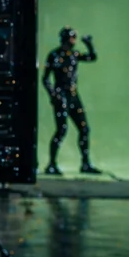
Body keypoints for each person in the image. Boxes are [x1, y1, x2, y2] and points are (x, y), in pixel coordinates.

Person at [42, 27, 100, 175]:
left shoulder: (74, 55)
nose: (74, 41)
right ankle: (51, 163)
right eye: (72, 37)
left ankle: (85, 163)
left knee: (84, 129)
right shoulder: (54, 55)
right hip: (61, 95)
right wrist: (53, 95)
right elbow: (45, 78)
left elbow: (92, 57)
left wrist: (89, 44)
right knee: (61, 130)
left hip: (73, 95)